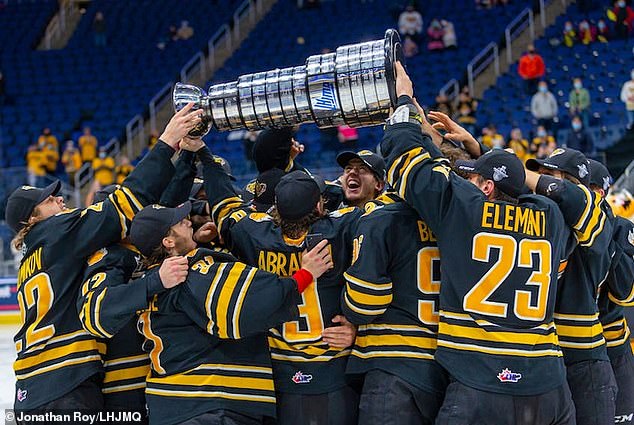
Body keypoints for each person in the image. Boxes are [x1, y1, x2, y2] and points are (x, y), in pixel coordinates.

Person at [380, 61, 607, 425]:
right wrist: (487, 157)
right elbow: (569, 197)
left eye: (475, 178)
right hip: (548, 385)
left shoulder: (464, 212)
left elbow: (411, 162)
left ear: (486, 187)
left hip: (479, 382)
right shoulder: (551, 216)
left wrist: (403, 100)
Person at [6, 103, 203, 415]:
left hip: (29, 392)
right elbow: (123, 206)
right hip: (66, 385)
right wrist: (166, 142)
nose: (59, 198)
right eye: (48, 200)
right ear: (32, 219)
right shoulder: (57, 232)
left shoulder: (29, 258)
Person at [127, 200, 333, 425]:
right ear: (168, 241)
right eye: (178, 222)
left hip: (174, 403)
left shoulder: (149, 279)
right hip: (207, 401)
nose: (187, 220)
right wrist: (305, 275)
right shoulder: (190, 271)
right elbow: (249, 304)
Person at [200, 141, 362, 425]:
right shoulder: (340, 230)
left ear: (276, 207)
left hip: (278, 378)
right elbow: (383, 208)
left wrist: (204, 156)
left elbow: (224, 206)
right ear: (318, 206)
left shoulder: (255, 234)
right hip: (333, 373)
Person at [526, 150, 616, 425]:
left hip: (584, 362)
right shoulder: (545, 219)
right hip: (547, 359)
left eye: (547, 175)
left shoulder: (598, 217)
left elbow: (569, 196)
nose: (538, 181)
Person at [342, 190, 448, 424]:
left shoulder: (380, 218)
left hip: (393, 366)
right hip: (449, 369)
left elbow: (362, 304)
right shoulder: (458, 219)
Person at [587, 159, 634, 424]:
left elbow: (625, 294)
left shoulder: (620, 228)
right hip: (572, 348)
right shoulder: (560, 224)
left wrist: (603, 237)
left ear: (597, 192)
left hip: (613, 347)